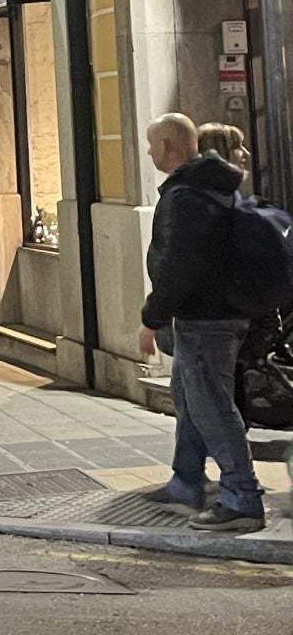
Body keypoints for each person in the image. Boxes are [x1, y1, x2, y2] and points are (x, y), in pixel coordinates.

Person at [139, 111, 266, 533]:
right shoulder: (206, 186)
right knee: (191, 401)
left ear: (169, 145)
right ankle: (186, 481)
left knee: (212, 408)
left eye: (152, 144)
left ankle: (242, 498)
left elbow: (180, 267)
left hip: (207, 319)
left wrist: (151, 319)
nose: (149, 152)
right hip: (213, 315)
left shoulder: (187, 195)